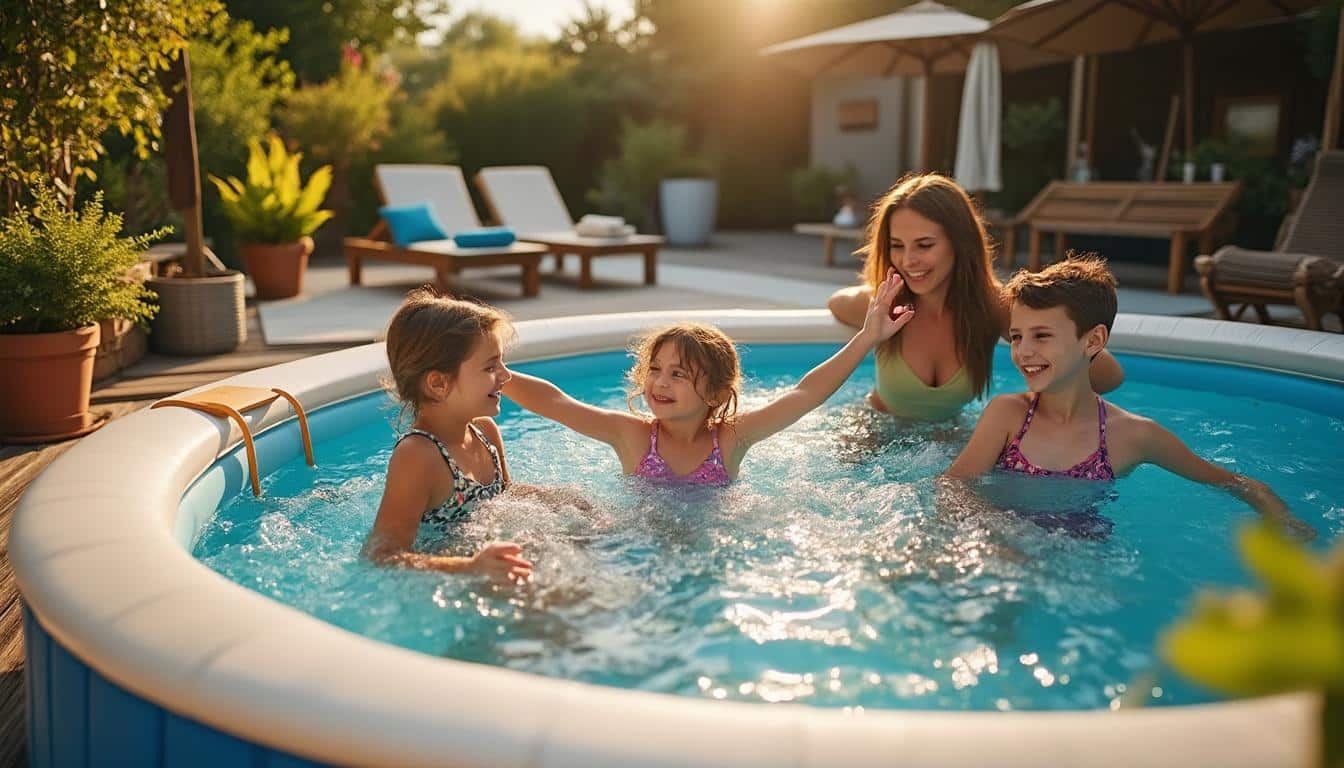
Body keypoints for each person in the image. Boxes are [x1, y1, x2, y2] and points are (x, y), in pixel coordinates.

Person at [944, 257, 1315, 540]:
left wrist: (1281, 518)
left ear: (1093, 341)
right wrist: (995, 532)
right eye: (1017, 336)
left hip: (1079, 559)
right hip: (999, 546)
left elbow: (1232, 482)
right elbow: (953, 485)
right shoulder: (1008, 416)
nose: (1023, 351)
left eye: (1041, 336)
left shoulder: (1133, 436)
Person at [504, 271, 911, 484]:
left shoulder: (731, 439)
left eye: (678, 374)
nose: (660, 383)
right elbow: (557, 403)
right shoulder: (631, 436)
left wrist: (865, 339)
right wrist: (496, 374)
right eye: (655, 370)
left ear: (716, 393)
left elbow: (805, 394)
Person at [826, 173, 1124, 422]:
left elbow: (1108, 376)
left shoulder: (994, 307)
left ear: (960, 242)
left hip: (947, 442)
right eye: (897, 245)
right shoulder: (884, 305)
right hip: (873, 433)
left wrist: (1036, 396)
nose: (908, 260)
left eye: (924, 244)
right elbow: (837, 303)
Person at [363, 289, 535, 581]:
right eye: (491, 366)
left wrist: (566, 501)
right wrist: (468, 568)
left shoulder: (484, 431)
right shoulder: (418, 456)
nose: (506, 376)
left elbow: (505, 494)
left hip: (489, 562)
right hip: (452, 581)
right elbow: (380, 555)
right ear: (439, 383)